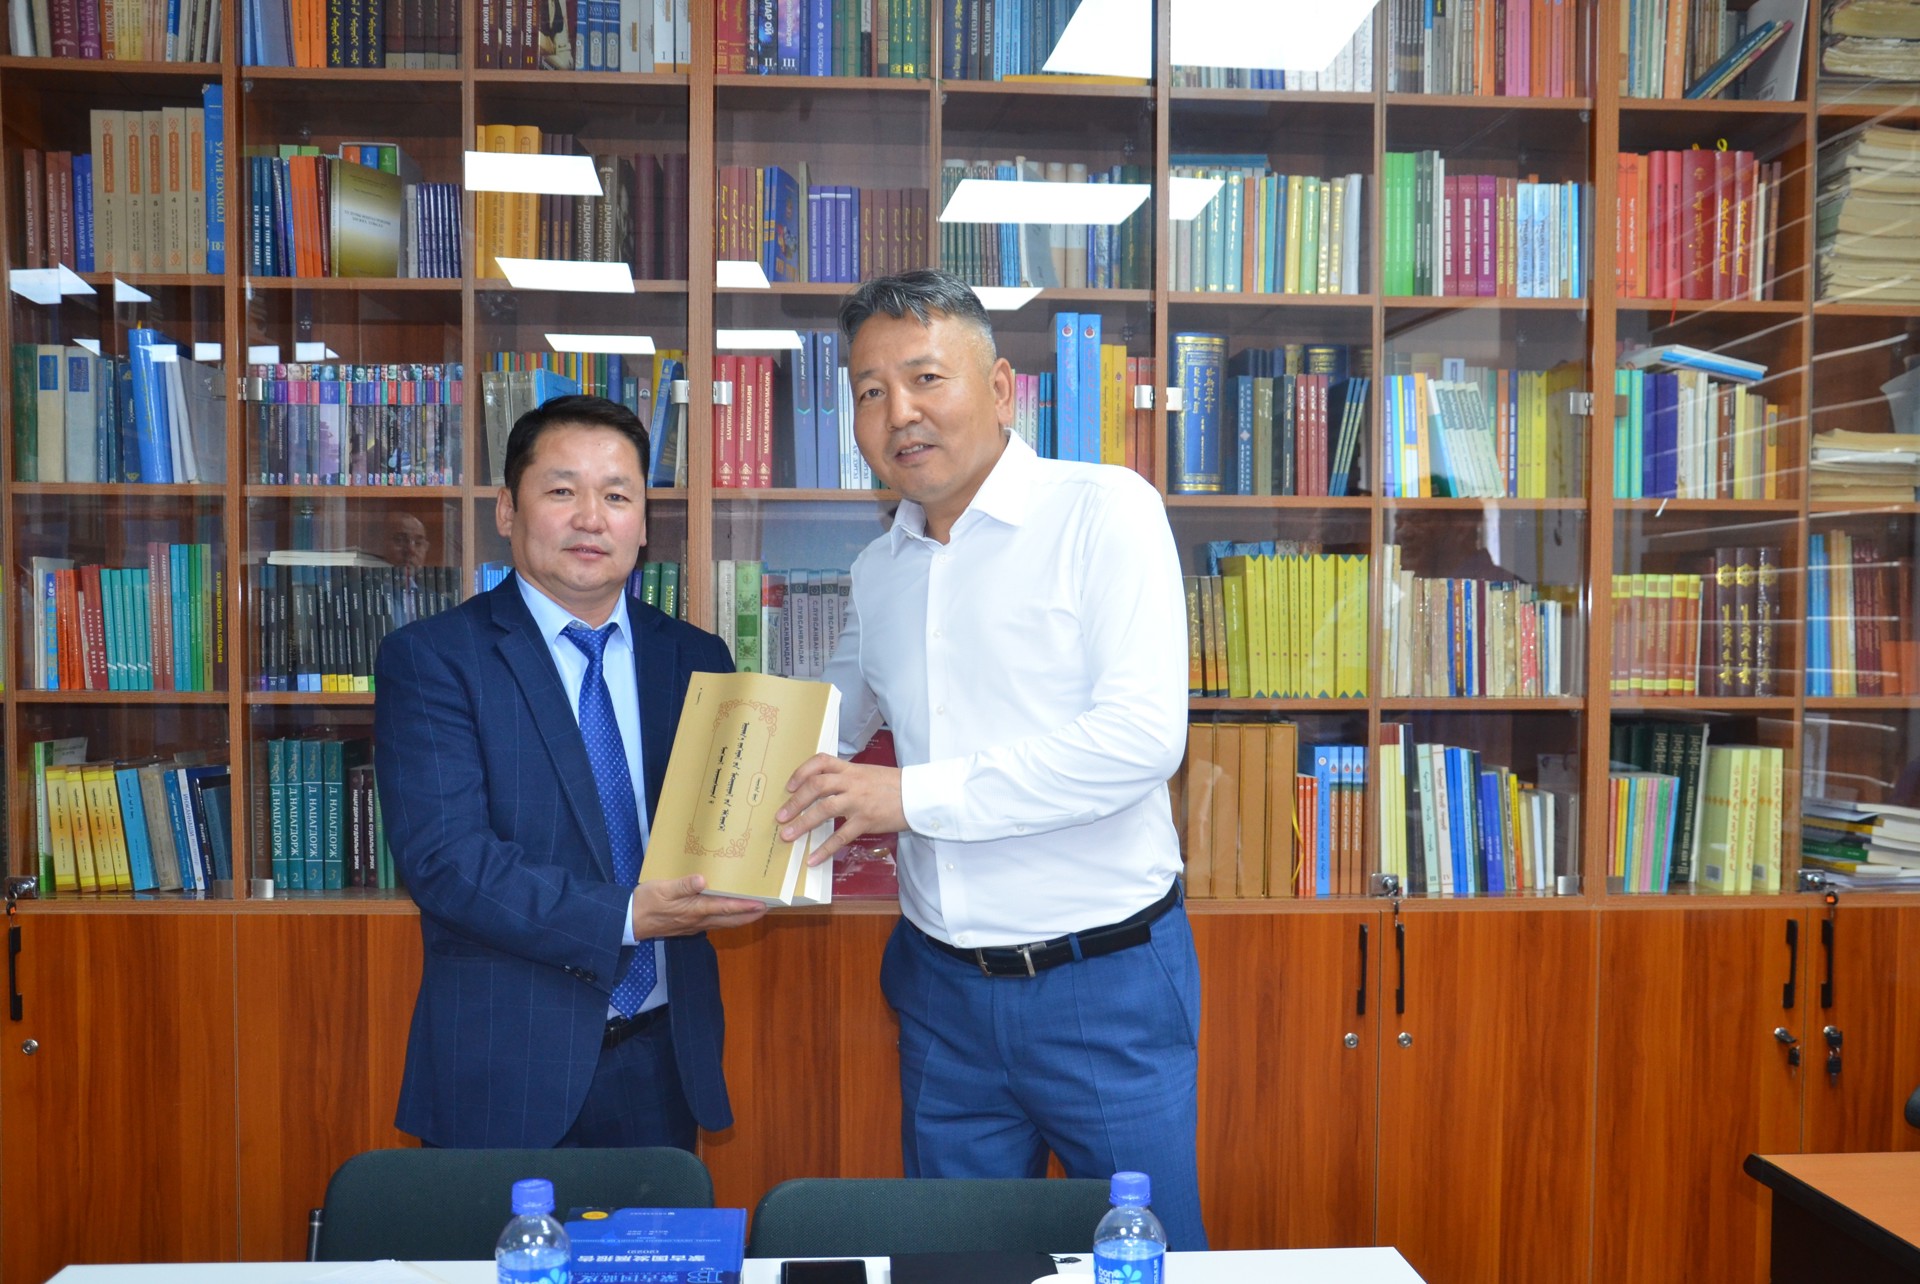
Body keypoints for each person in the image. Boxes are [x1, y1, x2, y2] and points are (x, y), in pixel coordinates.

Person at [776, 270, 1206, 1247]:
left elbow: (1140, 739)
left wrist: (909, 796)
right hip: (941, 993)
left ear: (1003, 389)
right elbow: (827, 723)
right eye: (871, 390)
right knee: (956, 1259)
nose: (899, 412)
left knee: (1143, 1257)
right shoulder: (878, 569)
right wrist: (722, 772)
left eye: (926, 378)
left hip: (1103, 983)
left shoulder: (1104, 511)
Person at [374, 394, 766, 1150]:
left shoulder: (696, 658)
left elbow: (720, 829)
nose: (592, 518)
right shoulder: (434, 659)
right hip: (506, 1066)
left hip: (663, 1056)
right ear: (506, 509)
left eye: (617, 496)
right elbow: (448, 862)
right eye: (562, 490)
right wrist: (627, 916)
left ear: (644, 524)